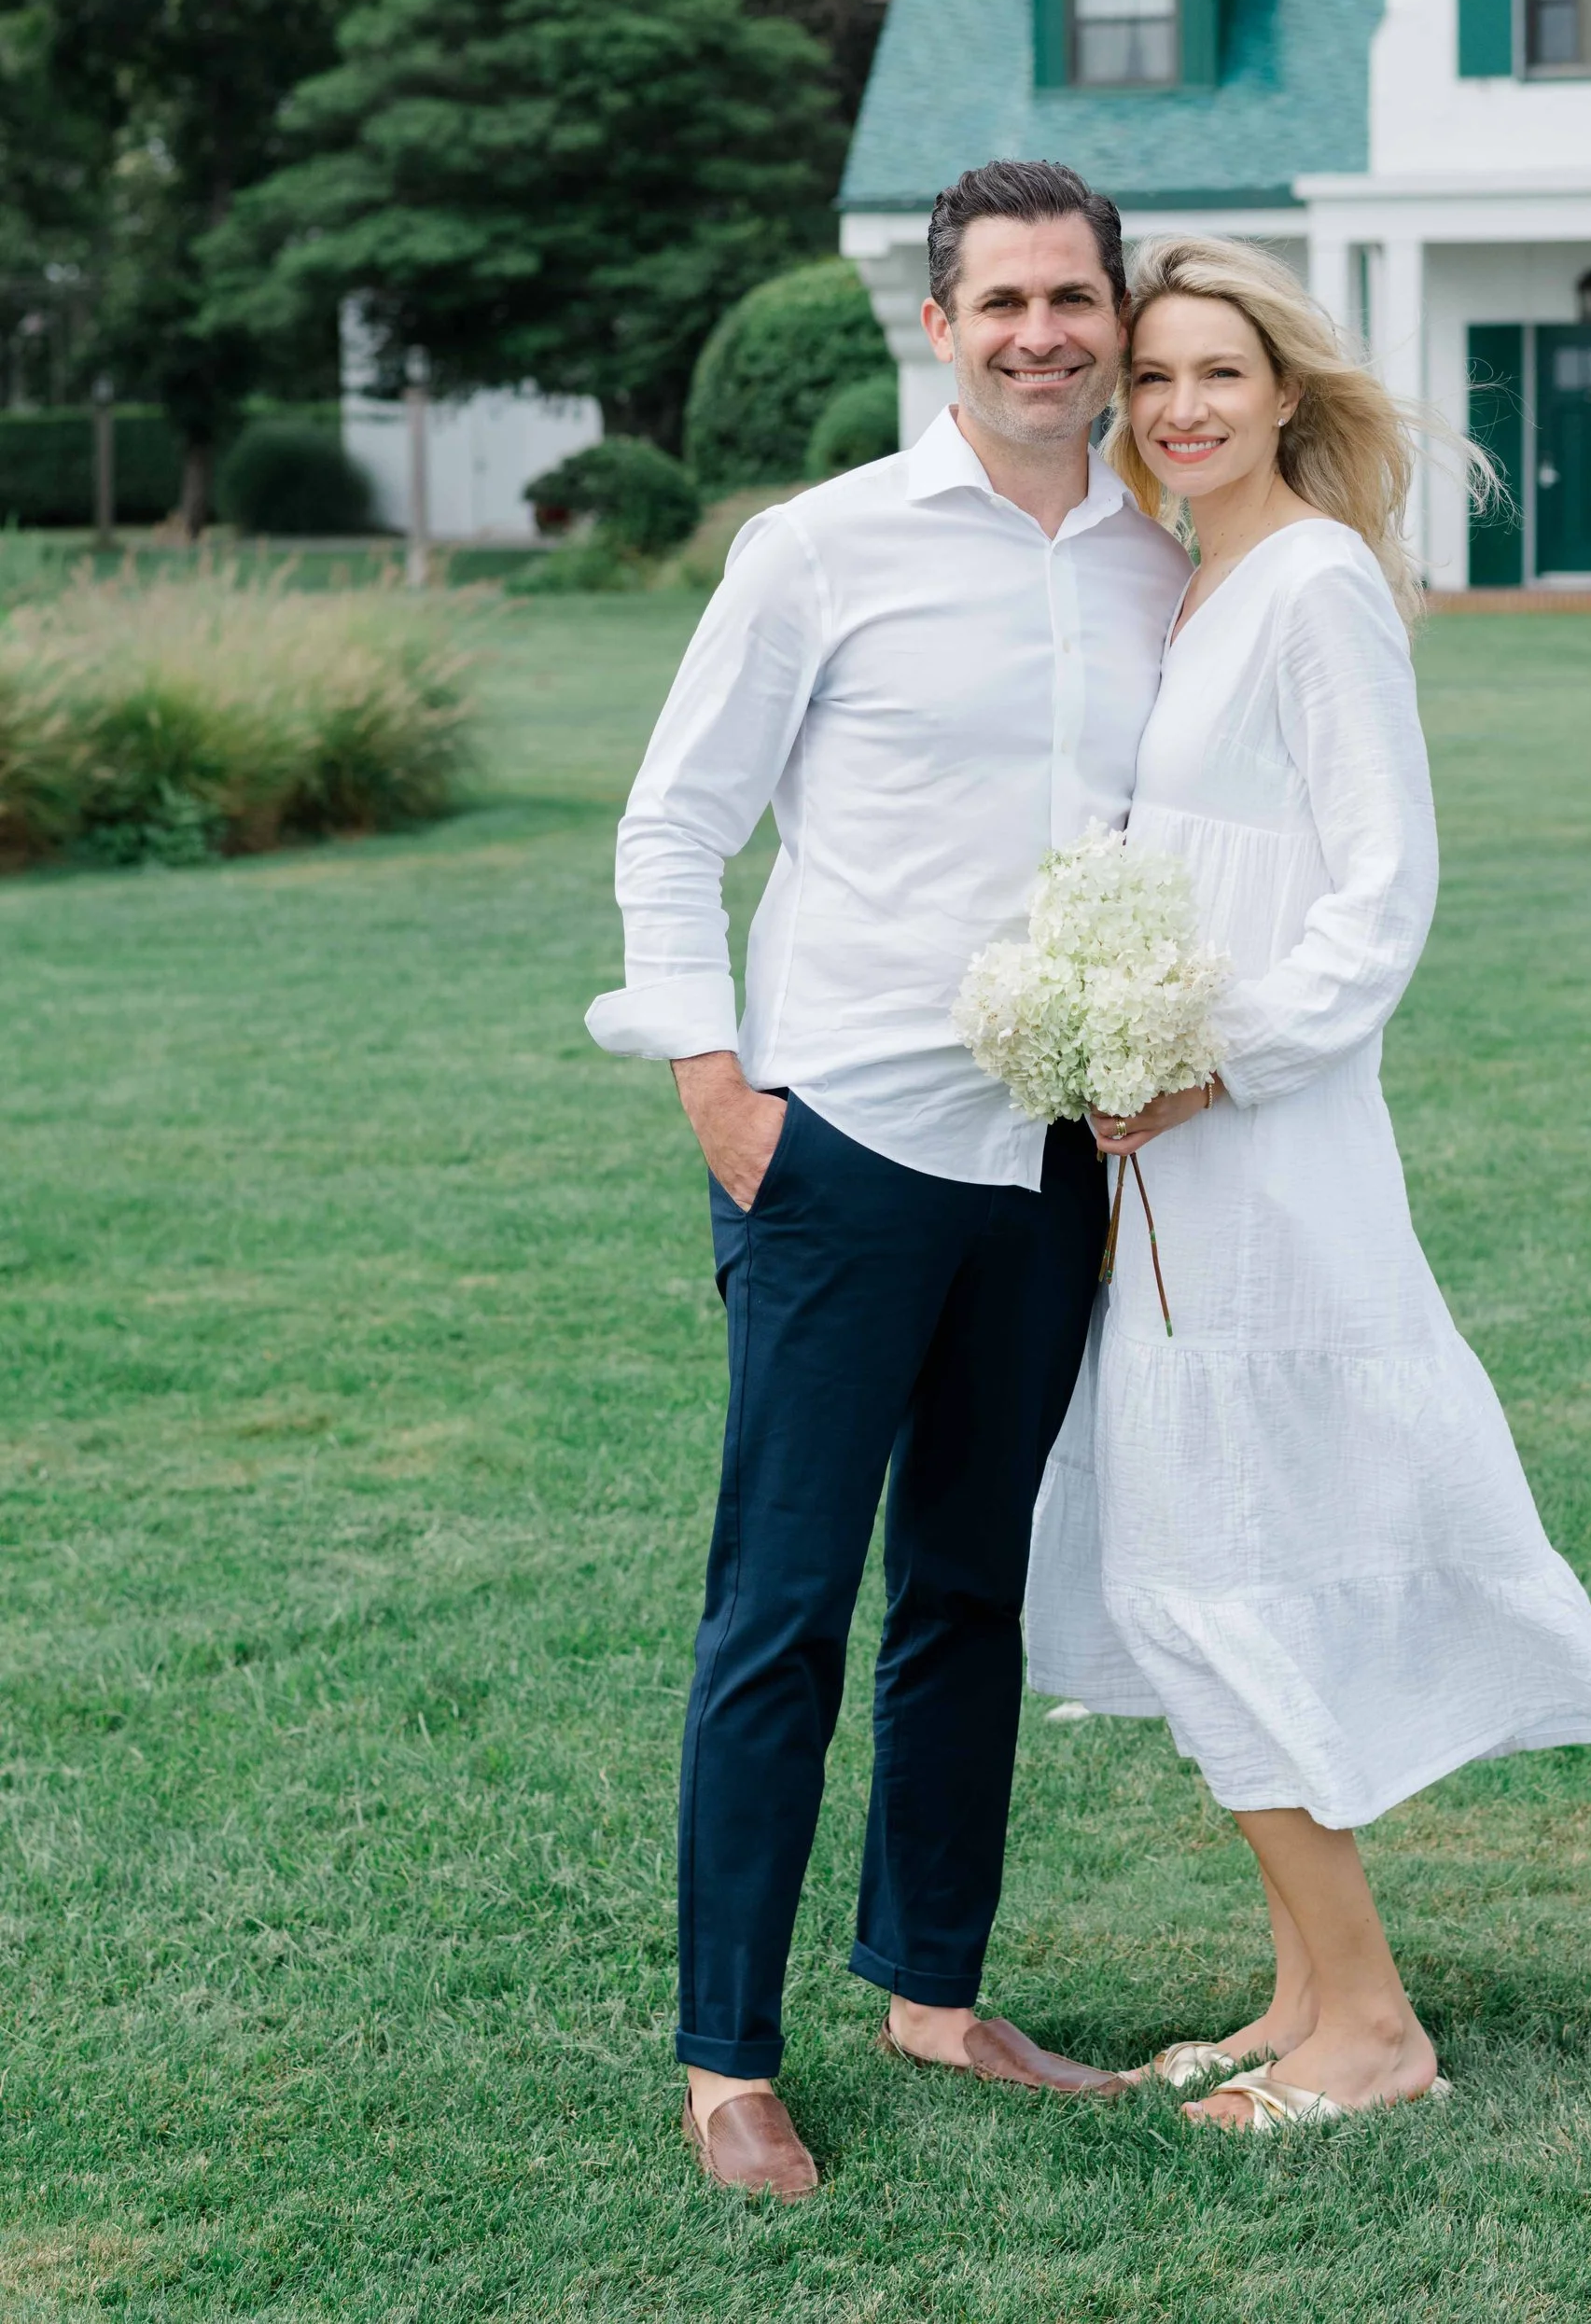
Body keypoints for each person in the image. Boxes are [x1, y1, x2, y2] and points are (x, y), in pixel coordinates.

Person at [587, 160, 1190, 2197]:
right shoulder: (820, 548)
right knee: (781, 1605)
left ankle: (935, 1991)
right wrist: (719, 1087)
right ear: (939, 328)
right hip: (837, 1144)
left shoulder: (1159, 565)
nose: (1041, 333)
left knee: (967, 1588)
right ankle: (726, 2060)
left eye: (1072, 298)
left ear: (1116, 320)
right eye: (1001, 300)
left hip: (1048, 1163)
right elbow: (674, 825)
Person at [1026, 232, 1591, 2133]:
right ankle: (1303, 1993)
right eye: (1150, 378)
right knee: (1214, 1551)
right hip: (1173, 1159)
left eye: (1217, 371)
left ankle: (1372, 2031)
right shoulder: (1197, 581)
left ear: (1287, 389)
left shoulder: (1310, 585)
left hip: (1267, 1153)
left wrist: (1213, 1059)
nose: (1178, 407)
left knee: (1208, 1564)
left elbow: (1382, 898)